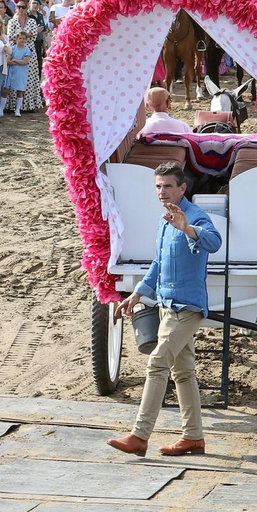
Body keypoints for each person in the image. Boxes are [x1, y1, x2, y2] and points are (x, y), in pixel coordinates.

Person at [107, 162, 223, 457]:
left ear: (183, 188)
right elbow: (158, 264)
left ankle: (139, 435)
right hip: (165, 305)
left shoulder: (194, 216)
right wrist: (137, 294)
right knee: (183, 372)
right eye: (158, 186)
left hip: (187, 307)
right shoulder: (164, 220)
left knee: (157, 363)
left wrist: (188, 228)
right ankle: (193, 438)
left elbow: (214, 242)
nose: (162, 192)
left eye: (168, 186)